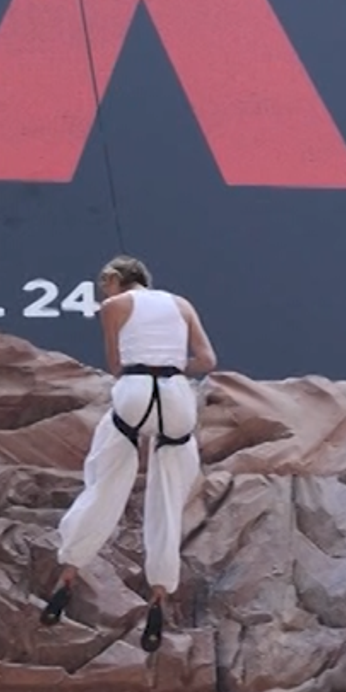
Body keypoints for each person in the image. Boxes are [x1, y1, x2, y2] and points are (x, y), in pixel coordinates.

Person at [41, 254, 216, 652]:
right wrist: (171, 367)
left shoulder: (114, 306)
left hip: (135, 391)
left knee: (105, 480)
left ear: (117, 278)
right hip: (176, 397)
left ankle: (69, 570)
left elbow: (116, 364)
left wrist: (146, 368)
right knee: (169, 498)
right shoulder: (181, 304)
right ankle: (159, 594)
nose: (105, 291)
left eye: (106, 283)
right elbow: (207, 360)